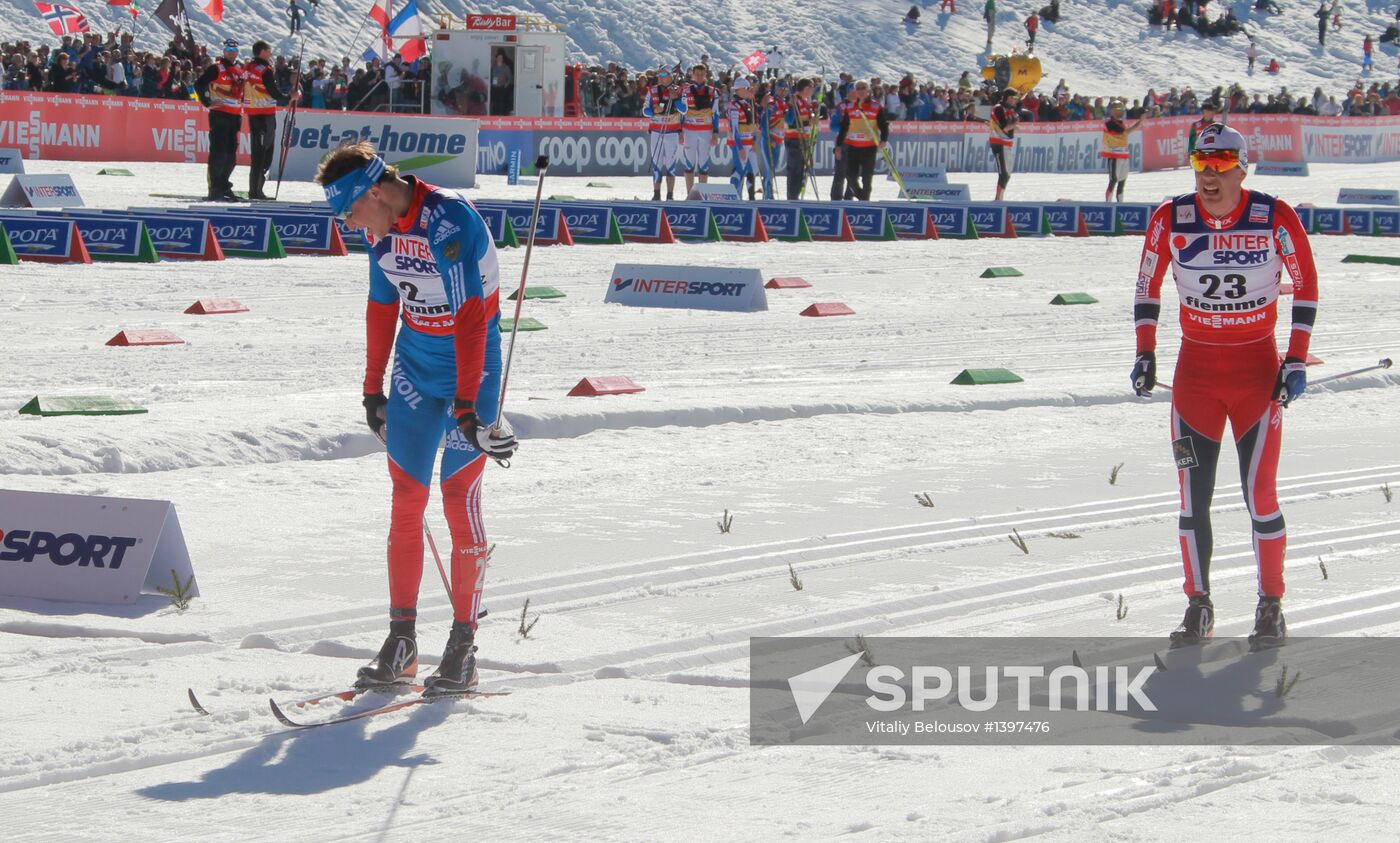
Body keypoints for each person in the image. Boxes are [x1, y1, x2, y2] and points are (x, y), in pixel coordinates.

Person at [315, 141, 515, 696]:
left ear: (375, 191)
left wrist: (472, 408)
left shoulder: (448, 220)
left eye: (349, 211)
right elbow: (382, 307)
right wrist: (371, 389)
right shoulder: (378, 229)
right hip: (415, 369)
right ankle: (402, 642)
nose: (348, 224)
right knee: (406, 500)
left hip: (471, 369)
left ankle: (463, 645)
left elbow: (473, 321)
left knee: (457, 498)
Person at [1131, 124, 1319, 651]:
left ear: (1242, 168)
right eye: (1200, 164)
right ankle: (1198, 604)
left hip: (1257, 374)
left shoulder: (1272, 216)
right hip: (1196, 379)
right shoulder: (1171, 217)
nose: (1209, 176)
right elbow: (1147, 283)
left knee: (1259, 495)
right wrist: (1145, 351)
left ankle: (1270, 604)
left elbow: (1305, 287)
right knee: (1193, 498)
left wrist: (1297, 359)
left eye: (1221, 164)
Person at [193, 39, 246, 202]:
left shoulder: (239, 69)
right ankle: (214, 189)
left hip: (235, 115)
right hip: (220, 114)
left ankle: (224, 186)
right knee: (219, 153)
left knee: (231, 155)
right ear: (224, 51)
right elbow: (199, 84)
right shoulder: (216, 68)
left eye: (234, 49)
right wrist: (208, 102)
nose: (231, 52)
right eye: (228, 49)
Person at [242, 41, 293, 201]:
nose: (270, 53)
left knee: (257, 153)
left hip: (253, 112)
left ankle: (255, 190)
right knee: (264, 155)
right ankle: (256, 191)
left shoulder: (248, 67)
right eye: (269, 50)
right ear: (262, 51)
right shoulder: (265, 69)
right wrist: (290, 97)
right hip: (265, 114)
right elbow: (273, 92)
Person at [834, 80, 888, 201]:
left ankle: (865, 202)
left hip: (869, 146)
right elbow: (844, 127)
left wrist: (883, 140)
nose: (861, 90)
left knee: (867, 177)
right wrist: (838, 146)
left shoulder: (876, 106)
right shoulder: (850, 107)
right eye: (858, 88)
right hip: (852, 145)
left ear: (868, 90)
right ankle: (861, 196)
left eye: (863, 88)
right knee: (850, 175)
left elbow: (883, 125)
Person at [642, 66, 686, 200]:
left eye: (663, 74)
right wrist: (654, 111)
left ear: (670, 76)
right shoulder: (652, 90)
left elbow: (684, 110)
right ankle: (656, 193)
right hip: (656, 131)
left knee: (671, 165)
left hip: (672, 132)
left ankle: (670, 195)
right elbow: (645, 111)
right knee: (657, 164)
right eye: (659, 74)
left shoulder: (679, 90)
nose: (660, 77)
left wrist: (676, 98)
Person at [680, 64, 719, 194]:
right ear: (692, 75)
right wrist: (680, 131)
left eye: (702, 74)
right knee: (689, 163)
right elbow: (681, 113)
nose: (699, 77)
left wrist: (716, 133)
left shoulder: (713, 91)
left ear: (705, 75)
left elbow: (716, 114)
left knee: (703, 163)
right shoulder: (685, 91)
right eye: (697, 74)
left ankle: (702, 194)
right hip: (690, 131)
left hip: (706, 131)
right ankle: (690, 194)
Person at [1101, 100, 1143, 201]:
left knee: (1122, 181)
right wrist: (1139, 123)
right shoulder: (1109, 123)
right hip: (1114, 155)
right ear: (1113, 110)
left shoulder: (1120, 123)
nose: (1122, 111)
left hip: (1123, 155)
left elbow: (1124, 133)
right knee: (1114, 180)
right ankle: (1108, 204)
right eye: (1119, 109)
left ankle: (1120, 203)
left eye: (1122, 109)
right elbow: (1124, 132)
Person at [784, 78, 818, 200]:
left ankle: (796, 196)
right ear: (806, 88)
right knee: (795, 170)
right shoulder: (794, 100)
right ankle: (792, 198)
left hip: (804, 139)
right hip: (794, 139)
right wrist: (808, 122)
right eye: (812, 87)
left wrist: (812, 119)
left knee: (802, 170)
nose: (813, 90)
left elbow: (807, 120)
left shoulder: (805, 102)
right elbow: (789, 121)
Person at [727, 77, 759, 199]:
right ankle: (734, 196)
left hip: (749, 142)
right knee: (739, 169)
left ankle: (751, 196)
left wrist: (753, 140)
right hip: (738, 143)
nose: (749, 91)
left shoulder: (747, 104)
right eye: (747, 89)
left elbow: (751, 125)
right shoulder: (734, 106)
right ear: (739, 90)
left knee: (752, 169)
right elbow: (734, 129)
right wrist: (739, 147)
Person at [988, 87, 1019, 200]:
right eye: (1013, 98)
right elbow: (1006, 127)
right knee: (1004, 173)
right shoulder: (999, 108)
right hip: (999, 142)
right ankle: (998, 199)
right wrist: (1015, 122)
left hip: (1006, 143)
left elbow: (1013, 128)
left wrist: (1015, 123)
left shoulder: (1010, 110)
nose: (1015, 100)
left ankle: (1000, 197)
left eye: (1017, 98)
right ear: (1007, 98)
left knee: (1008, 173)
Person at [828, 85, 857, 201]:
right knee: (840, 172)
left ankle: (849, 197)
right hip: (844, 143)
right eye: (853, 92)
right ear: (848, 93)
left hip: (859, 144)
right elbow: (833, 126)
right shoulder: (841, 106)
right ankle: (836, 199)